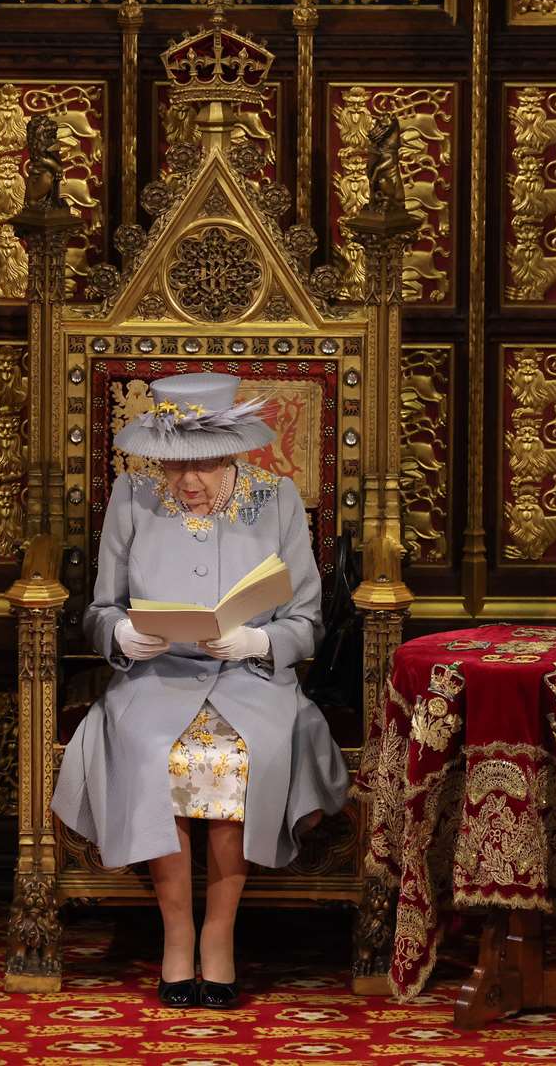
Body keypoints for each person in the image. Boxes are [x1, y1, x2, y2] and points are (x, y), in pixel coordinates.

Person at [51, 372, 349, 1010]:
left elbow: (307, 620)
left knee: (237, 759)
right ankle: (177, 933)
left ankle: (219, 934)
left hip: (253, 679)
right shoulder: (132, 496)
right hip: (155, 679)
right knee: (154, 752)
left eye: (207, 466)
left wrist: (258, 643)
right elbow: (100, 608)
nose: (190, 482)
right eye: (176, 466)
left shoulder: (278, 499)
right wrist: (123, 634)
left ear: (236, 451)